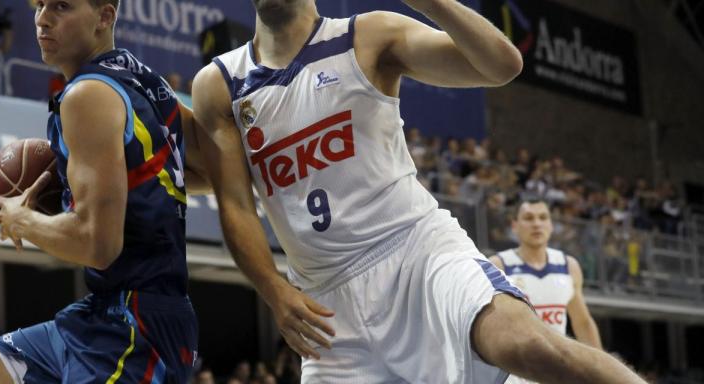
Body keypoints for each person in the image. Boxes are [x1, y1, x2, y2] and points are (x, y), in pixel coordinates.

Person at [191, 0, 644, 382]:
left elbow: (502, 65)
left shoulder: (367, 36)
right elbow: (236, 205)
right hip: (326, 304)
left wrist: (432, 3)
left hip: (416, 255)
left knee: (527, 345)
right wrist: (273, 289)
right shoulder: (219, 85)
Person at [0, 0, 205, 383]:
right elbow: (200, 171)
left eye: (61, 6)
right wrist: (120, 180)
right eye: (40, 5)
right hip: (106, 311)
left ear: (105, 16)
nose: (43, 19)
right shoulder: (146, 81)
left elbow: (97, 245)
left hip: (133, 328)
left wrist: (22, 220)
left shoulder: (87, 95)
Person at [489, 199, 603, 383]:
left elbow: (582, 322)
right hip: (515, 374)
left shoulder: (569, 266)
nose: (537, 224)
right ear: (515, 225)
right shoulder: (497, 265)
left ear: (551, 225)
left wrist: (600, 372)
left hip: (557, 372)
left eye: (543, 217)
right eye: (529, 218)